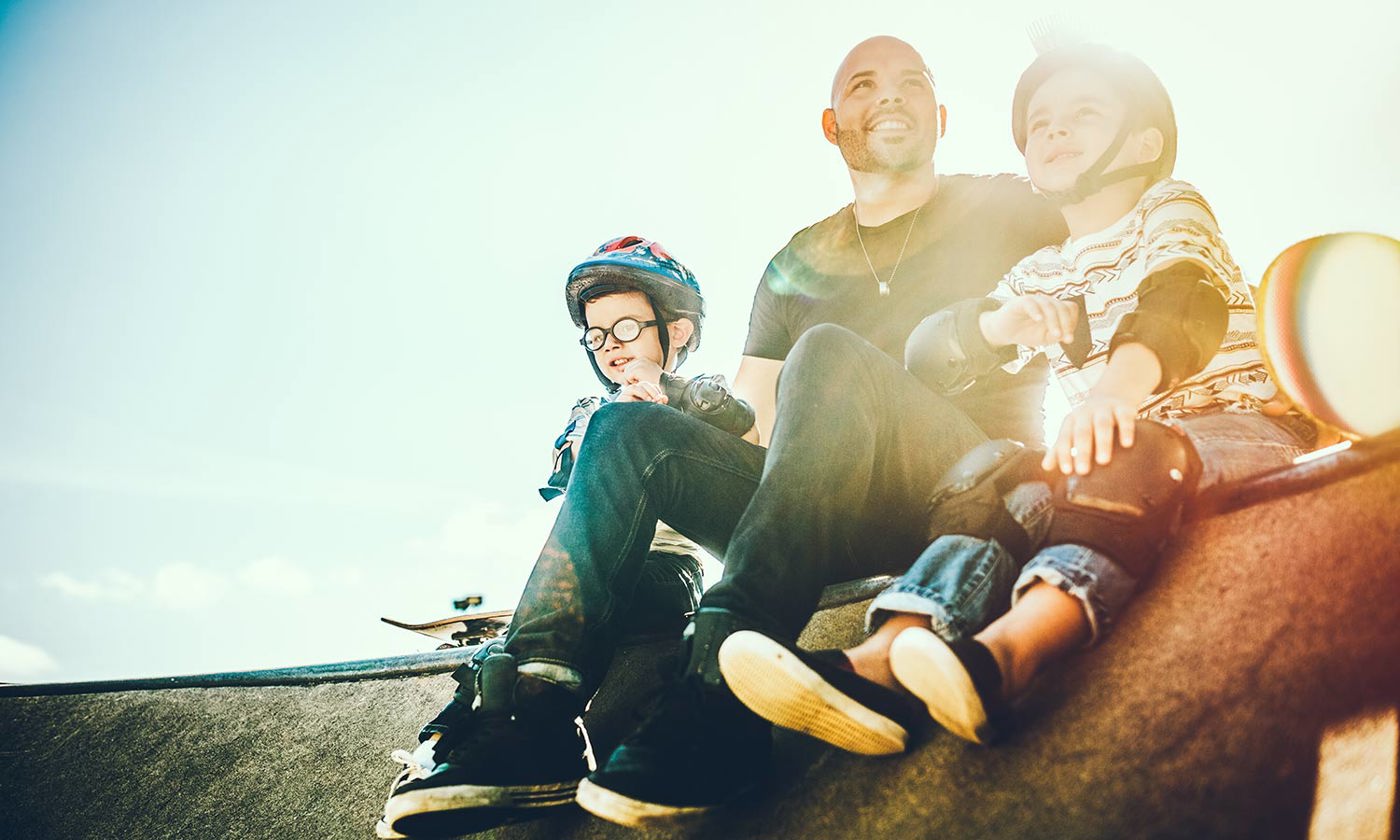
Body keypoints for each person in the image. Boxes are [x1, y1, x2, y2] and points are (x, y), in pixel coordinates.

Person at [717, 43, 1316, 756]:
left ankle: (1006, 656)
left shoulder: (1168, 205)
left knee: (1122, 448)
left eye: (1083, 114)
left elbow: (1182, 302)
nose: (1055, 131)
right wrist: (1001, 324)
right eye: (1039, 125)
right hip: (1115, 444)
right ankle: (885, 661)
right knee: (999, 477)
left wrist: (1118, 392)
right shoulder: (1046, 269)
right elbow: (928, 352)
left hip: (1239, 425)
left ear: (1145, 142)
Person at [572, 36, 1065, 827]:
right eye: (865, 86)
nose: (891, 96)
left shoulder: (1010, 205)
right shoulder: (793, 264)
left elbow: (1126, 220)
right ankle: (521, 706)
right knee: (629, 429)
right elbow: (759, 427)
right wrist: (667, 406)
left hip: (964, 488)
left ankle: (718, 697)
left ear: (941, 116)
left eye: (912, 84)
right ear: (833, 126)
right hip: (823, 508)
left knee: (830, 354)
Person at [380, 235, 757, 838]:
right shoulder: (589, 410)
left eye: (628, 327)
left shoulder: (705, 395)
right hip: (596, 577)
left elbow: (744, 438)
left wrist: (672, 406)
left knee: (634, 551)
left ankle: (536, 723)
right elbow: (575, 485)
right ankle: (468, 726)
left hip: (669, 575)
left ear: (677, 332)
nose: (610, 347)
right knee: (512, 639)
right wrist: (613, 423)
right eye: (597, 334)